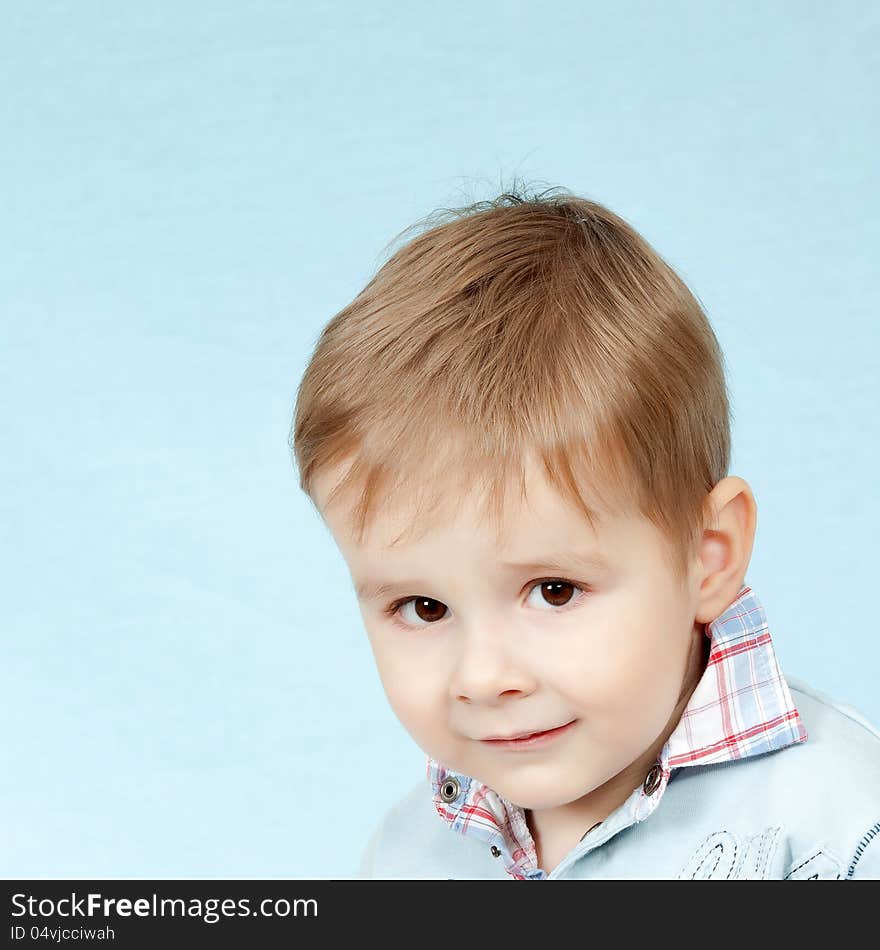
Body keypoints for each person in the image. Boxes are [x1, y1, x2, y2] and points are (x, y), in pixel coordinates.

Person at [289, 185, 880, 879]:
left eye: (554, 591)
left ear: (707, 557)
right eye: (424, 608)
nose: (484, 677)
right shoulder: (410, 855)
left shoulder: (837, 828)